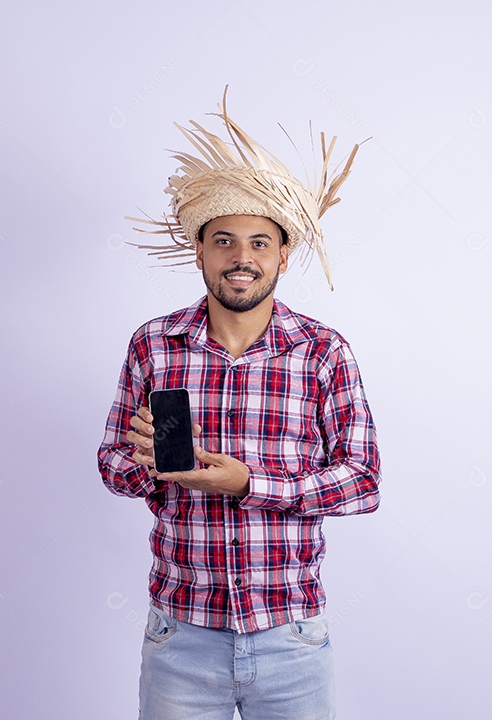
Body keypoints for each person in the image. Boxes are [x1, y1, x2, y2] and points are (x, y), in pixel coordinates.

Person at [97, 89, 380, 719]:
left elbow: (363, 482)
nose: (241, 258)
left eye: (258, 242)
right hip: (181, 636)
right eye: (224, 241)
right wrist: (148, 461)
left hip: (291, 635)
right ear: (199, 252)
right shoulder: (155, 344)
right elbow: (112, 465)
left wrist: (246, 483)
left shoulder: (322, 352)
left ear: (283, 254)